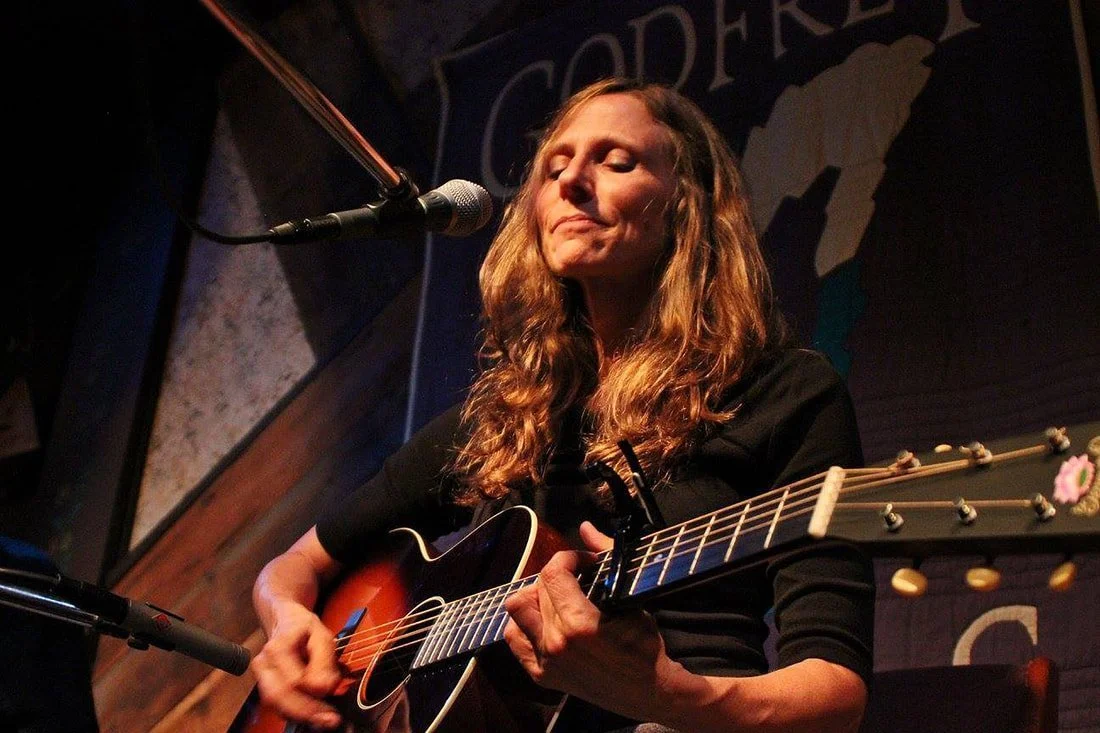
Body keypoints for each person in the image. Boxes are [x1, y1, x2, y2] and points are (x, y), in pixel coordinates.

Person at [249, 77, 874, 732]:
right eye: (555, 165)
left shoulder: (786, 394)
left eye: (615, 160)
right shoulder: (508, 416)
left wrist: (666, 695)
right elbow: (292, 565)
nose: (573, 180)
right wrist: (287, 619)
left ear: (688, 206)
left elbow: (837, 695)